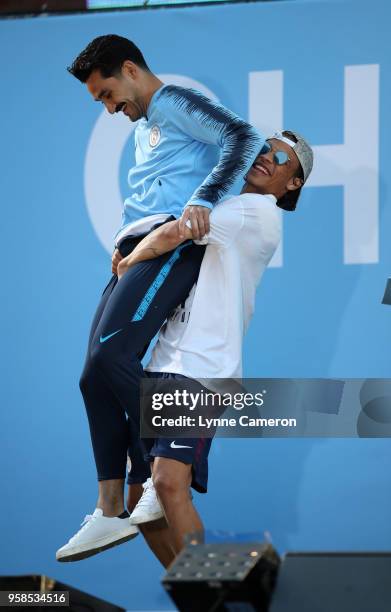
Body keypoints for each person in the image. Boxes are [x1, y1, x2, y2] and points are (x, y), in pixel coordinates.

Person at [56, 34, 264, 562]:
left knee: (111, 357)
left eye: (107, 94)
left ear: (129, 69)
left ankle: (163, 460)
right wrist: (126, 245)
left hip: (168, 246)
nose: (109, 108)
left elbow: (241, 136)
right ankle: (107, 511)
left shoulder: (173, 102)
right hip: (137, 251)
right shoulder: (147, 124)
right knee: (92, 374)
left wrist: (201, 201)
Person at [114, 130, 314, 563]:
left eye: (282, 158)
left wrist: (127, 263)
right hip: (164, 363)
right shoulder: (229, 205)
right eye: (263, 147)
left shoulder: (255, 211)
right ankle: (198, 598)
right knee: (141, 506)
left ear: (293, 184)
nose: (267, 156)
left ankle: (211, 589)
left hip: (202, 370)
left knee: (168, 484)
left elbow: (173, 234)